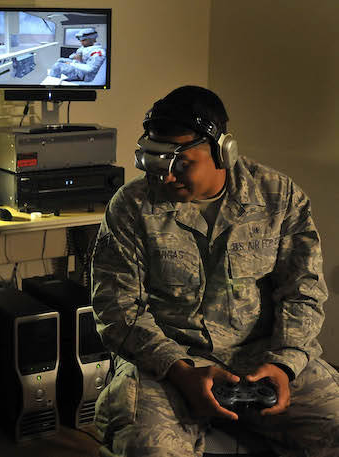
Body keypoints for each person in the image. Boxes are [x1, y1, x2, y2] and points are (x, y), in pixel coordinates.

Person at [91, 85, 339, 456]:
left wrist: (284, 365)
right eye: (157, 163)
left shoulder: (277, 196)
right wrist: (181, 371)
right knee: (148, 448)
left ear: (224, 153)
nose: (166, 177)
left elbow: (303, 292)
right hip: (166, 363)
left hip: (260, 357)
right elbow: (117, 309)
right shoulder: (131, 206)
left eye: (181, 164)